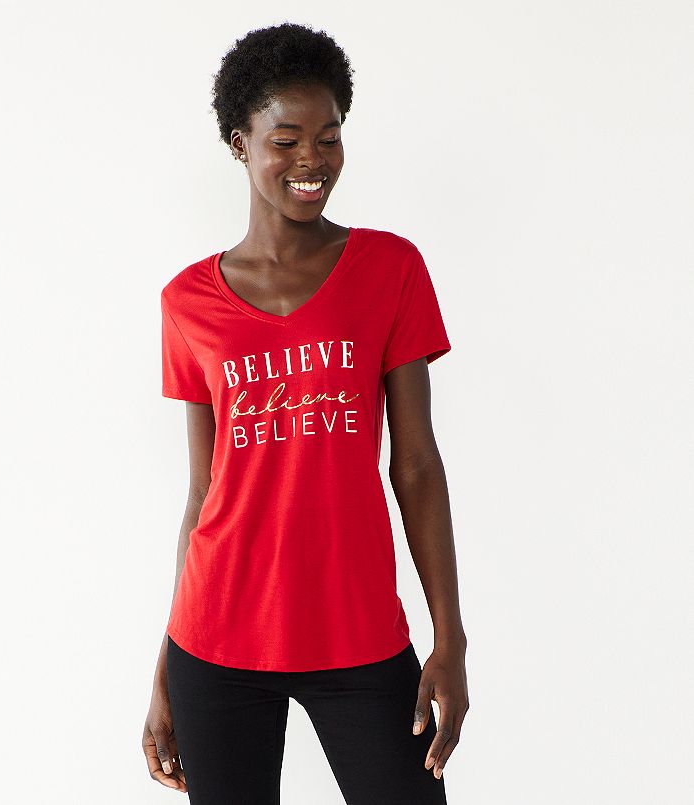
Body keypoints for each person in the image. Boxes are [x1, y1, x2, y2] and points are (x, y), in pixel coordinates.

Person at [142, 22, 469, 804]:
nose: (311, 161)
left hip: (358, 634)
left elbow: (415, 463)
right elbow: (203, 493)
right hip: (214, 643)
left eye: (328, 137)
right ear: (239, 144)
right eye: (285, 140)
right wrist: (163, 669)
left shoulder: (390, 269)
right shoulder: (187, 302)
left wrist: (449, 637)